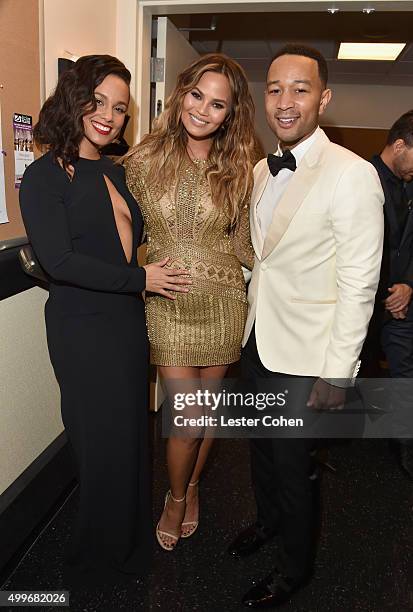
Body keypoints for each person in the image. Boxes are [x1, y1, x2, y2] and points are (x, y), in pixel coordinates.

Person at [19, 54, 190, 586]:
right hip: (81, 325)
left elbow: (124, 247)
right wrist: (143, 280)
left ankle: (126, 547)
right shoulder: (44, 176)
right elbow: (58, 261)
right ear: (74, 99)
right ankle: (92, 564)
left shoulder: (115, 169)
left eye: (120, 108)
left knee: (128, 438)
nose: (110, 116)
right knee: (96, 444)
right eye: (98, 102)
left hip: (123, 322)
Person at [227, 44, 384, 608]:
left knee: (296, 470)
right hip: (258, 342)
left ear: (324, 98)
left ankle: (295, 571)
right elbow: (262, 259)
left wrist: (337, 374)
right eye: (275, 89)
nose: (285, 101)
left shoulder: (353, 174)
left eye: (300, 88)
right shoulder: (257, 170)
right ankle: (268, 524)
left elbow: (359, 285)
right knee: (262, 454)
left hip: (309, 357)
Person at [125, 53, 258, 551]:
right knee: (187, 420)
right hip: (167, 304)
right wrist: (133, 276)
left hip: (223, 300)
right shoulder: (142, 159)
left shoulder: (240, 168)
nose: (203, 109)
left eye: (218, 104)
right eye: (197, 95)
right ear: (182, 93)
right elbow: (118, 227)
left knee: (207, 419)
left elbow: (246, 246)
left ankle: (194, 487)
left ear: (230, 114)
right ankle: (176, 497)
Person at [369, 111, 413, 479]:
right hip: (363, 302)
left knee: (403, 373)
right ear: (399, 145)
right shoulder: (360, 177)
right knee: (348, 375)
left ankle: (403, 445)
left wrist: (408, 285)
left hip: (401, 304)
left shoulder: (411, 183)